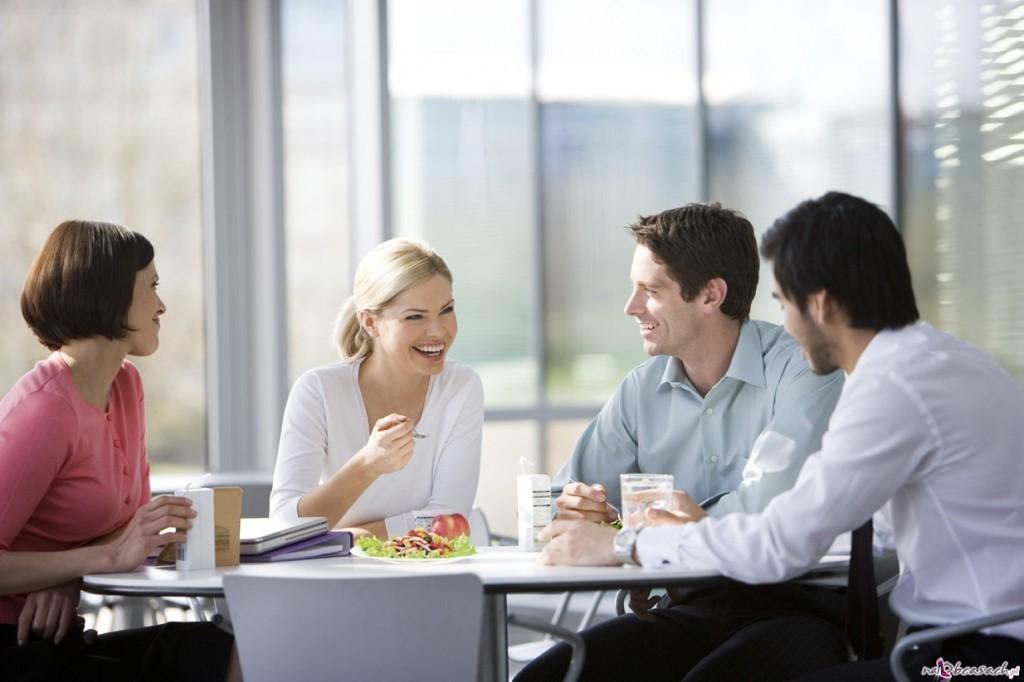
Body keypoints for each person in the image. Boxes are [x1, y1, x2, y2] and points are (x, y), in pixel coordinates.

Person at [538, 192, 1024, 680]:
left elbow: (782, 540)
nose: (781, 322)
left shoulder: (893, 385)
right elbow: (858, 526)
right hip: (964, 640)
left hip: (982, 657)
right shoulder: (934, 362)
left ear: (821, 305)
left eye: (782, 301)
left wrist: (628, 546)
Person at [519, 203, 849, 681]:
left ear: (711, 294)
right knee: (544, 678)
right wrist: (579, 508)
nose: (631, 307)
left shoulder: (804, 370)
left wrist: (635, 542)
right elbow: (555, 502)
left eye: (650, 291)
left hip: (794, 607)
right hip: (686, 607)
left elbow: (766, 508)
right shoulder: (641, 389)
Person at [0, 220, 238, 681]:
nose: (162, 304)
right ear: (107, 294)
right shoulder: (43, 411)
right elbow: (112, 549)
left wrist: (65, 575)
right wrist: (96, 561)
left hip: (60, 641)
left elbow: (123, 531)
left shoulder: (125, 385)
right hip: (15, 649)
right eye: (151, 285)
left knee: (224, 649)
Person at [270, 238, 483, 538]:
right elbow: (283, 523)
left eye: (446, 310)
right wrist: (368, 463)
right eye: (415, 316)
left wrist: (351, 534)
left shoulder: (461, 386)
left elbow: (448, 520)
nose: (438, 331)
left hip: (427, 576)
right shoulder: (317, 391)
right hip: (335, 580)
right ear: (370, 323)